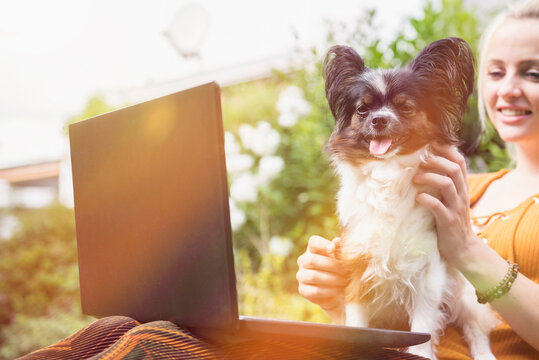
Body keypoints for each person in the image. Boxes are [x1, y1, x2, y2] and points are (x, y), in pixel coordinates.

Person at [296, 0, 539, 358]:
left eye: (532, 72)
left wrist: (466, 247)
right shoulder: (448, 184)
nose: (508, 89)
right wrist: (334, 295)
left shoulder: (441, 188)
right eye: (496, 72)